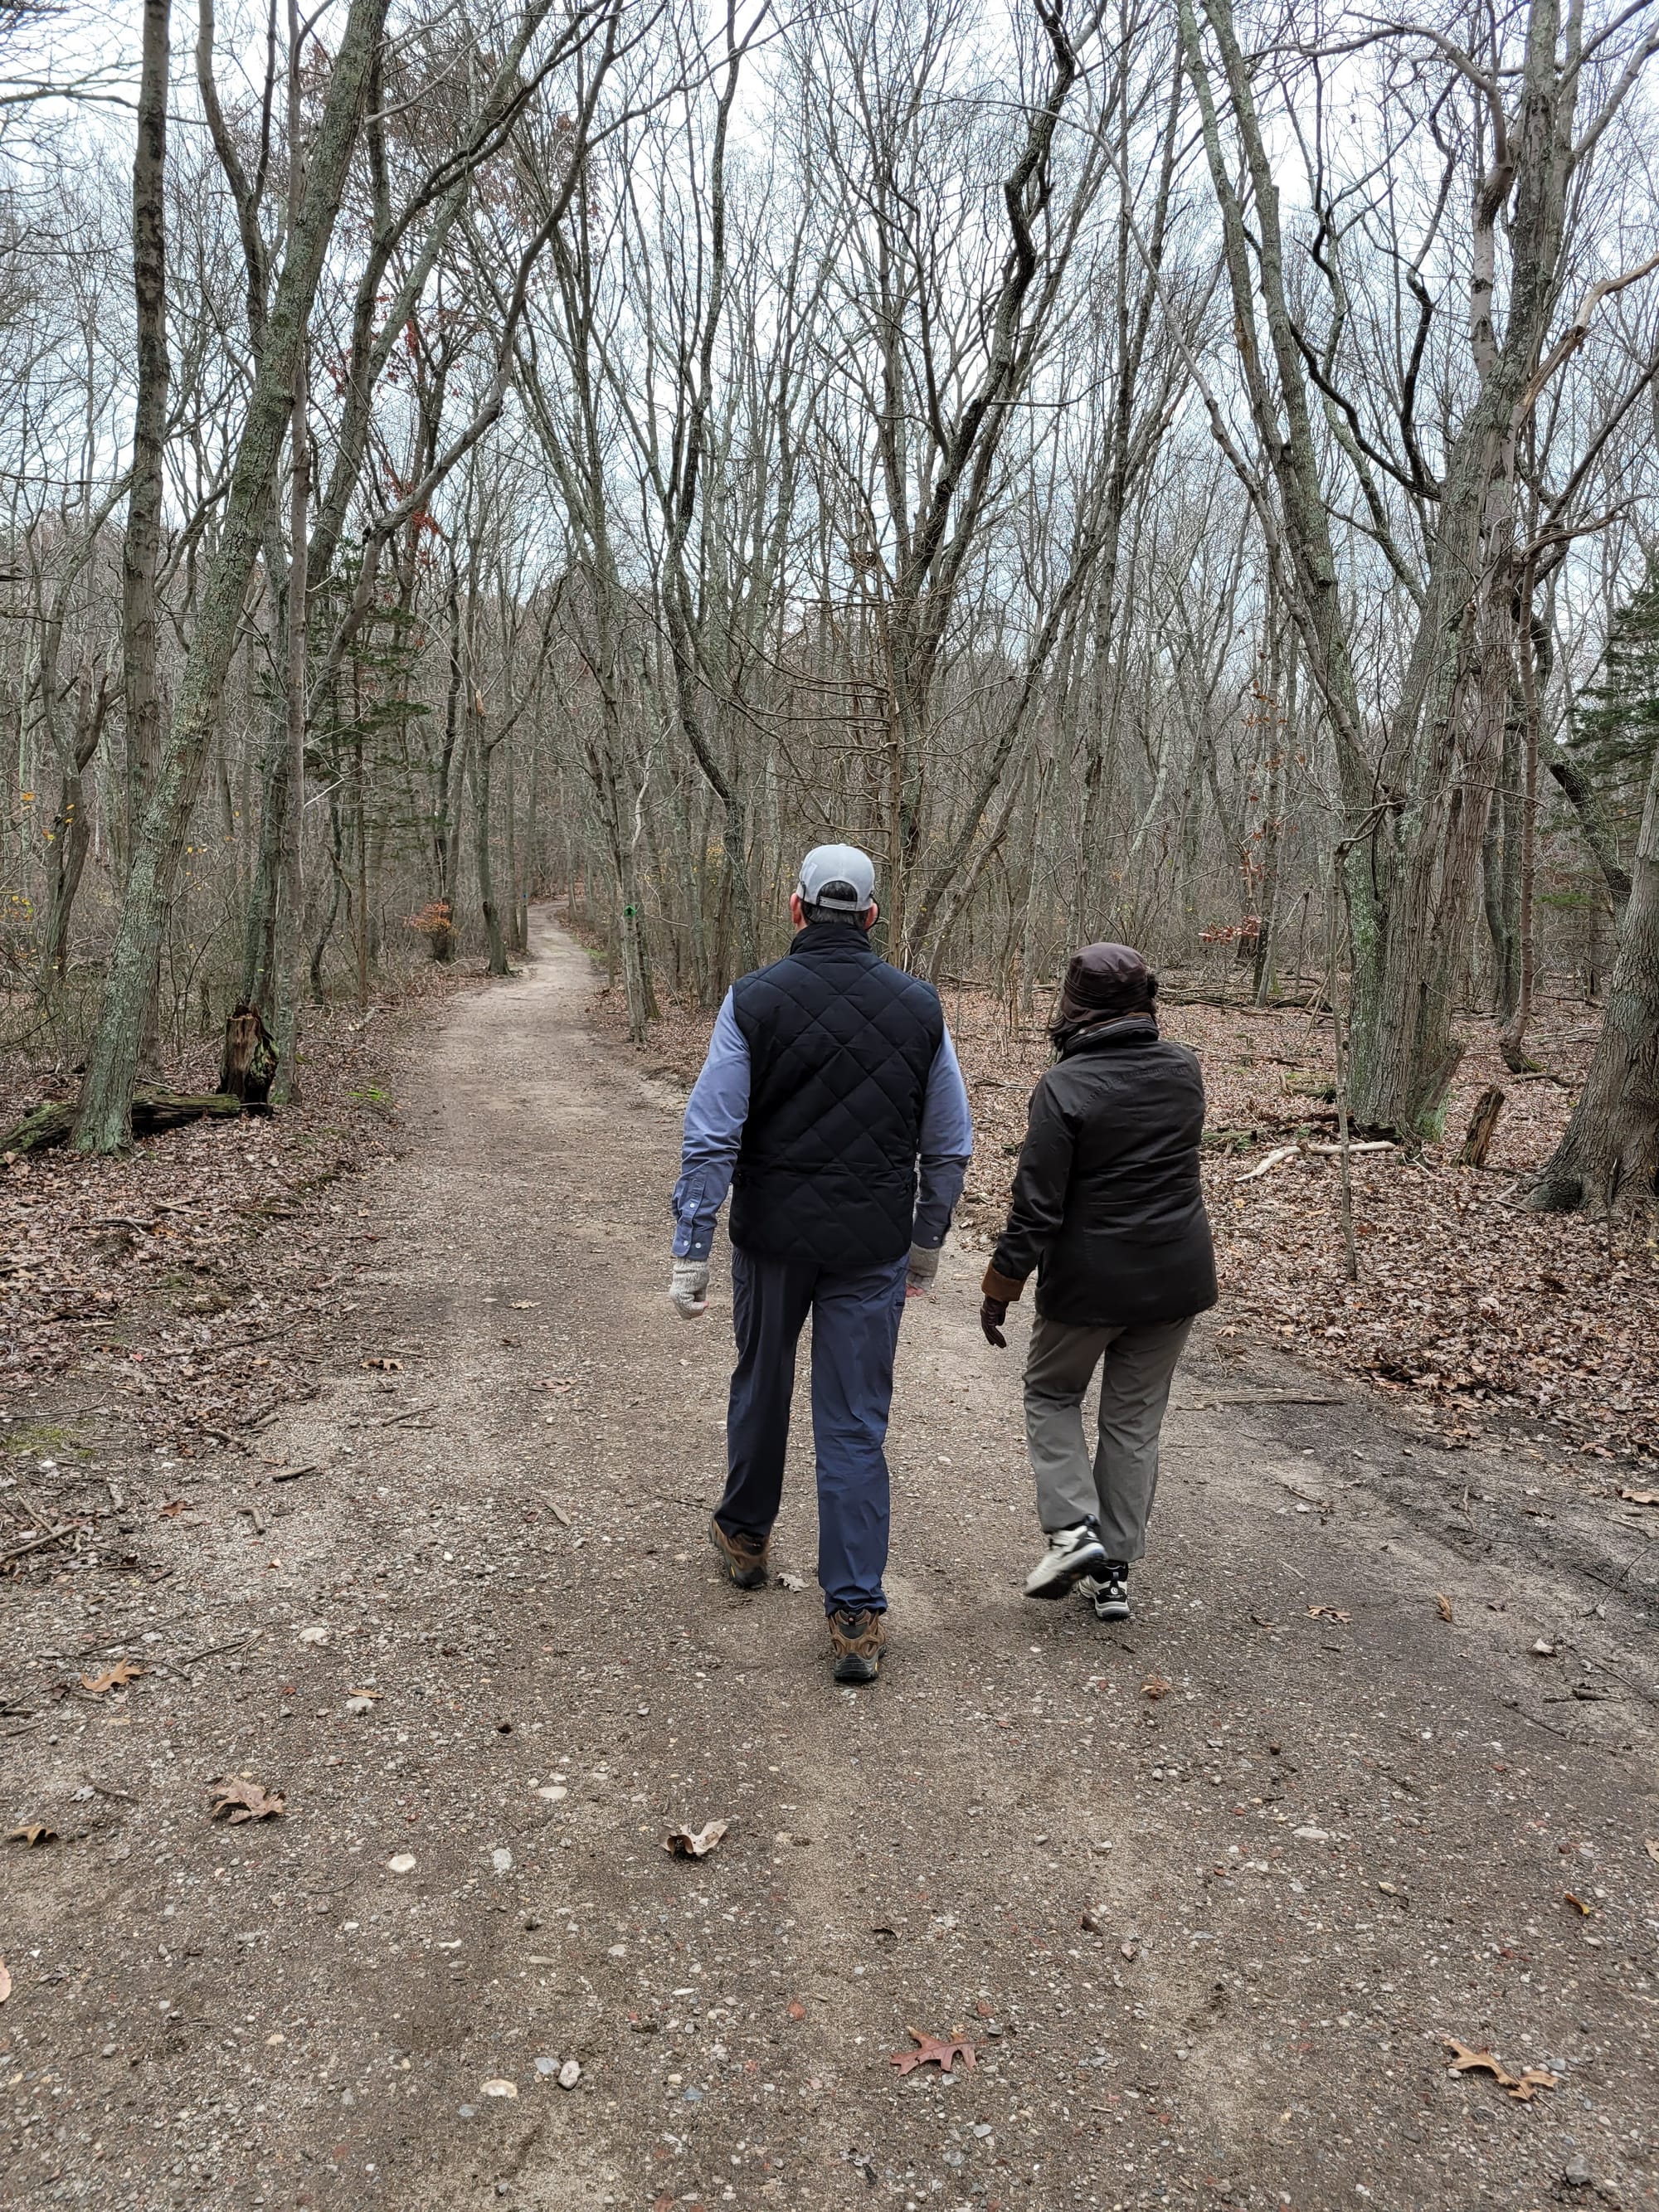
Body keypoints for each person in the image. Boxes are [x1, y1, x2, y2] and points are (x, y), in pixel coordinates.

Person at [668, 843, 974, 1683]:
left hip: (770, 1241)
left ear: (795, 908)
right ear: (871, 917)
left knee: (760, 1384)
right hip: (870, 1251)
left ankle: (742, 1537)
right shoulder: (918, 1007)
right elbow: (947, 1145)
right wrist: (926, 1242)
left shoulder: (752, 1001)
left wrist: (692, 1245)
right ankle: (853, 1615)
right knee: (852, 1423)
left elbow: (711, 1133)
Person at [980, 941, 1215, 1623]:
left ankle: (1075, 1532)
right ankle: (1113, 1571)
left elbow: (1036, 1207)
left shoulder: (1064, 1088)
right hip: (1176, 1274)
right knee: (1134, 1423)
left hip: (1089, 1281)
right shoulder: (1184, 1069)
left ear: (1075, 1005)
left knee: (1052, 1393)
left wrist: (1001, 1286)